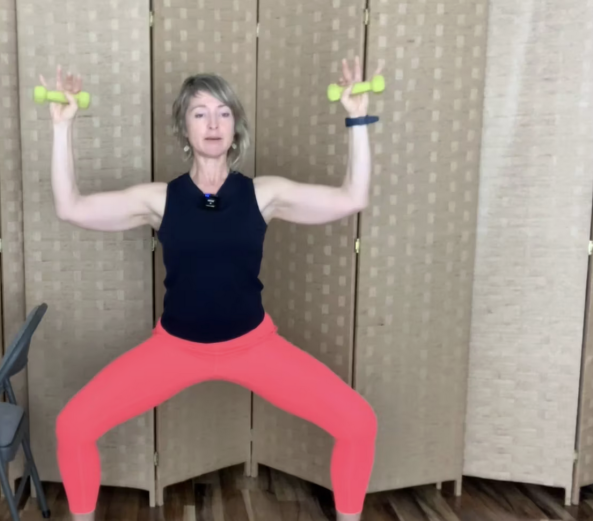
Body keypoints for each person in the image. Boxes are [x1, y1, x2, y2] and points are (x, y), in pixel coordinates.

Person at [42, 56, 381, 521]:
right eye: (200, 113)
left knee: (359, 423)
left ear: (236, 124)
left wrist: (357, 118)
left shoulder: (264, 193)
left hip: (253, 346)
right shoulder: (159, 200)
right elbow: (71, 207)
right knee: (73, 425)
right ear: (185, 128)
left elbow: (352, 197)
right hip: (176, 349)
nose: (213, 123)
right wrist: (62, 128)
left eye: (223, 112)